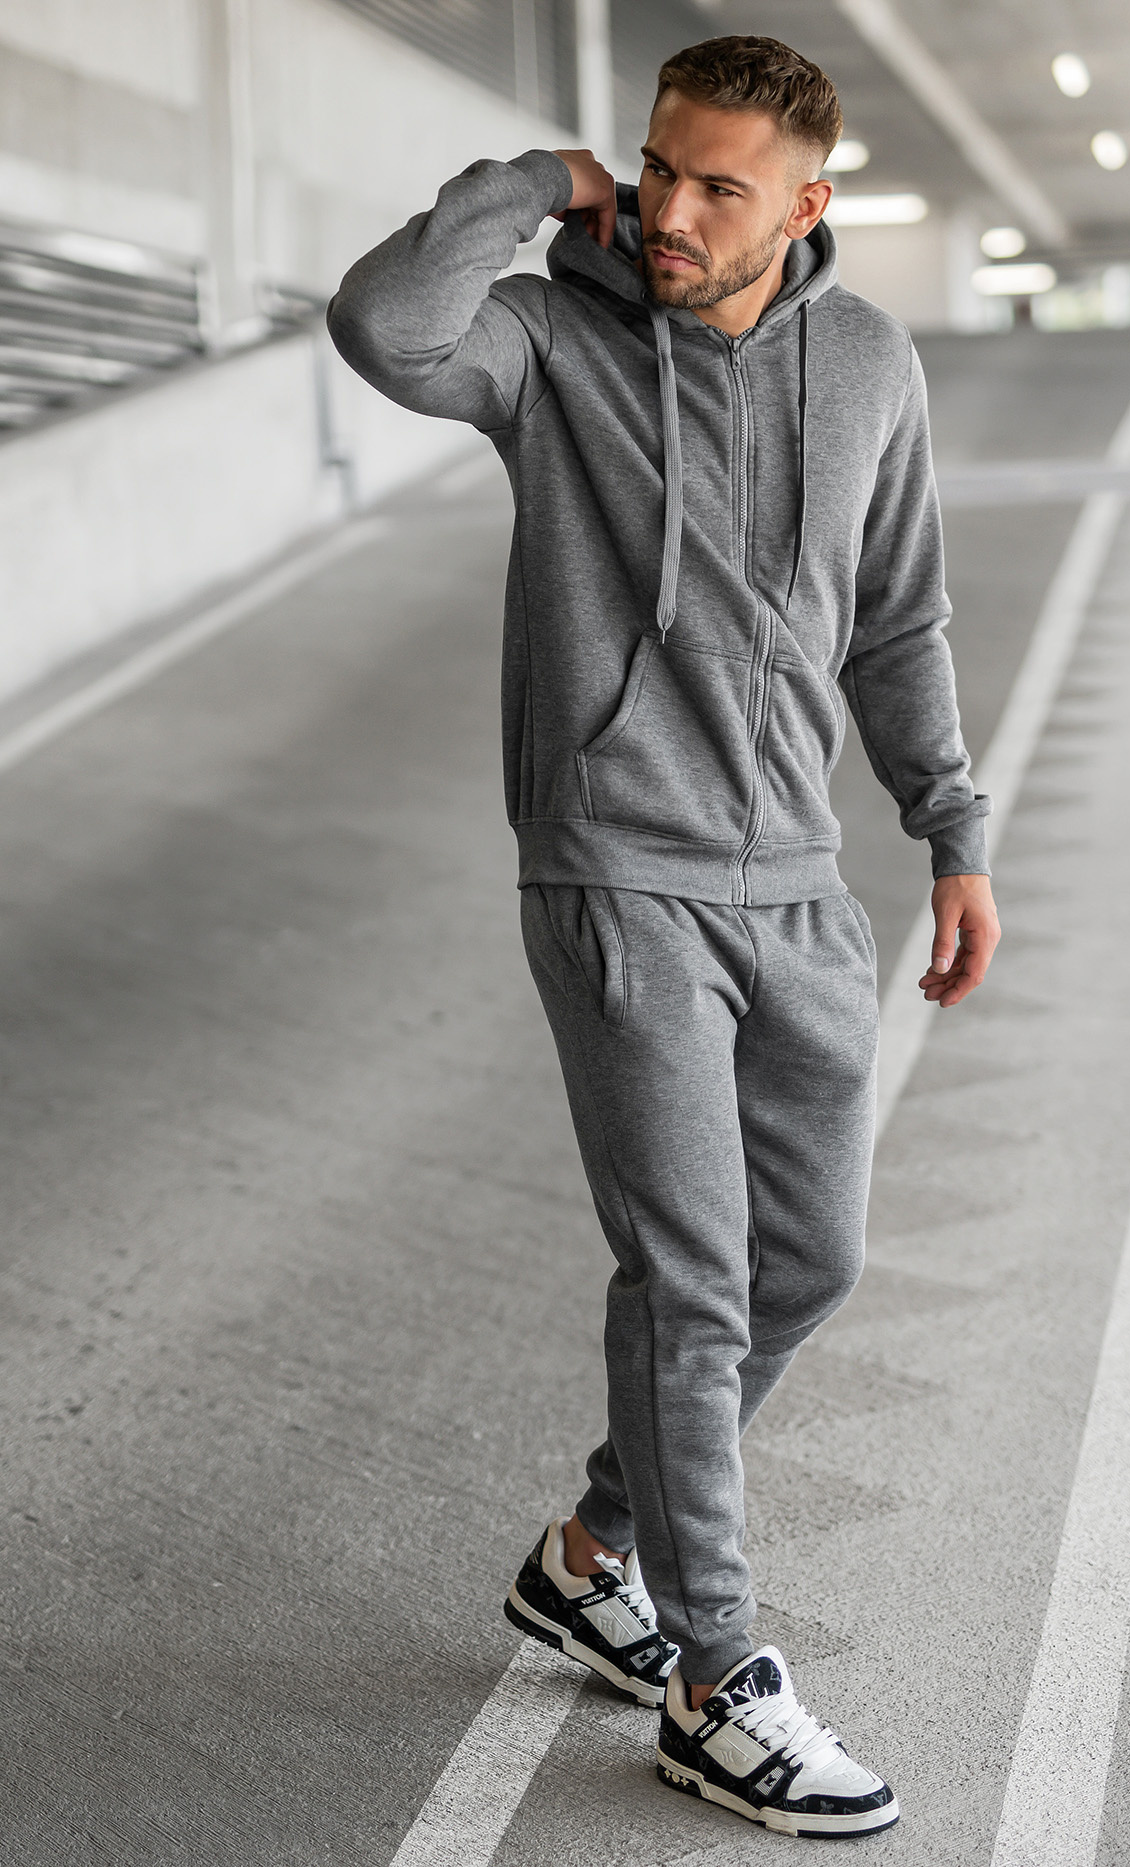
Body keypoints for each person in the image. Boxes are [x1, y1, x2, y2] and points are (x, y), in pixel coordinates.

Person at [329, 33, 998, 1841]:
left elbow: (899, 616)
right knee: (694, 1283)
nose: (675, 211)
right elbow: (383, 325)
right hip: (618, 875)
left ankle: (592, 1555)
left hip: (800, 886)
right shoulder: (548, 346)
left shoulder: (867, 361)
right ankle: (715, 1679)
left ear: (807, 204)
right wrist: (539, 187)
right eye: (657, 169)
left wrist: (950, 829)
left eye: (720, 186)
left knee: (811, 1265)